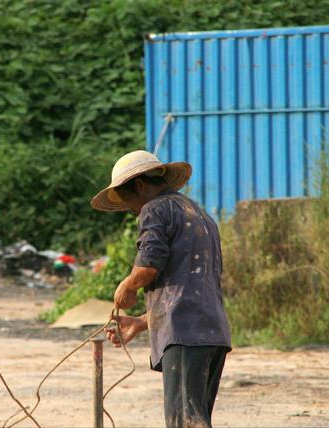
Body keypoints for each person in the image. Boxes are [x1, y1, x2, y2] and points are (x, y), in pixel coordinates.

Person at [91, 150, 231, 428]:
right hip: (212, 333)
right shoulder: (200, 215)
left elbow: (148, 266)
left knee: (184, 422)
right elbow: (190, 287)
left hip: (184, 336)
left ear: (141, 186)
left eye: (130, 201)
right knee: (197, 419)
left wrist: (126, 286)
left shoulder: (154, 209)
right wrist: (143, 322)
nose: (133, 210)